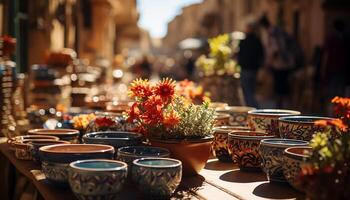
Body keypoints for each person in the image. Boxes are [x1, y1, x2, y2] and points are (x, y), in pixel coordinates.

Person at [259, 15, 299, 108]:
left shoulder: (272, 33)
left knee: (280, 85)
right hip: (286, 63)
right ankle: (284, 105)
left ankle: (281, 106)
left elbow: (275, 50)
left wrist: (268, 62)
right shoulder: (278, 30)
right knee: (284, 85)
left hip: (280, 64)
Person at [237, 22, 264, 108]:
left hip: (247, 69)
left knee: (248, 91)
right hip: (252, 69)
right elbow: (261, 55)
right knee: (250, 90)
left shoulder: (244, 41)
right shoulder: (257, 41)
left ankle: (252, 108)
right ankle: (253, 108)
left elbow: (239, 55)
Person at [322, 19, 349, 100]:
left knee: (332, 93)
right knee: (340, 92)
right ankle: (338, 110)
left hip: (333, 69)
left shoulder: (332, 39)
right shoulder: (346, 39)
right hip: (343, 69)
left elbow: (326, 55)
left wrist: (323, 69)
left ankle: (334, 111)